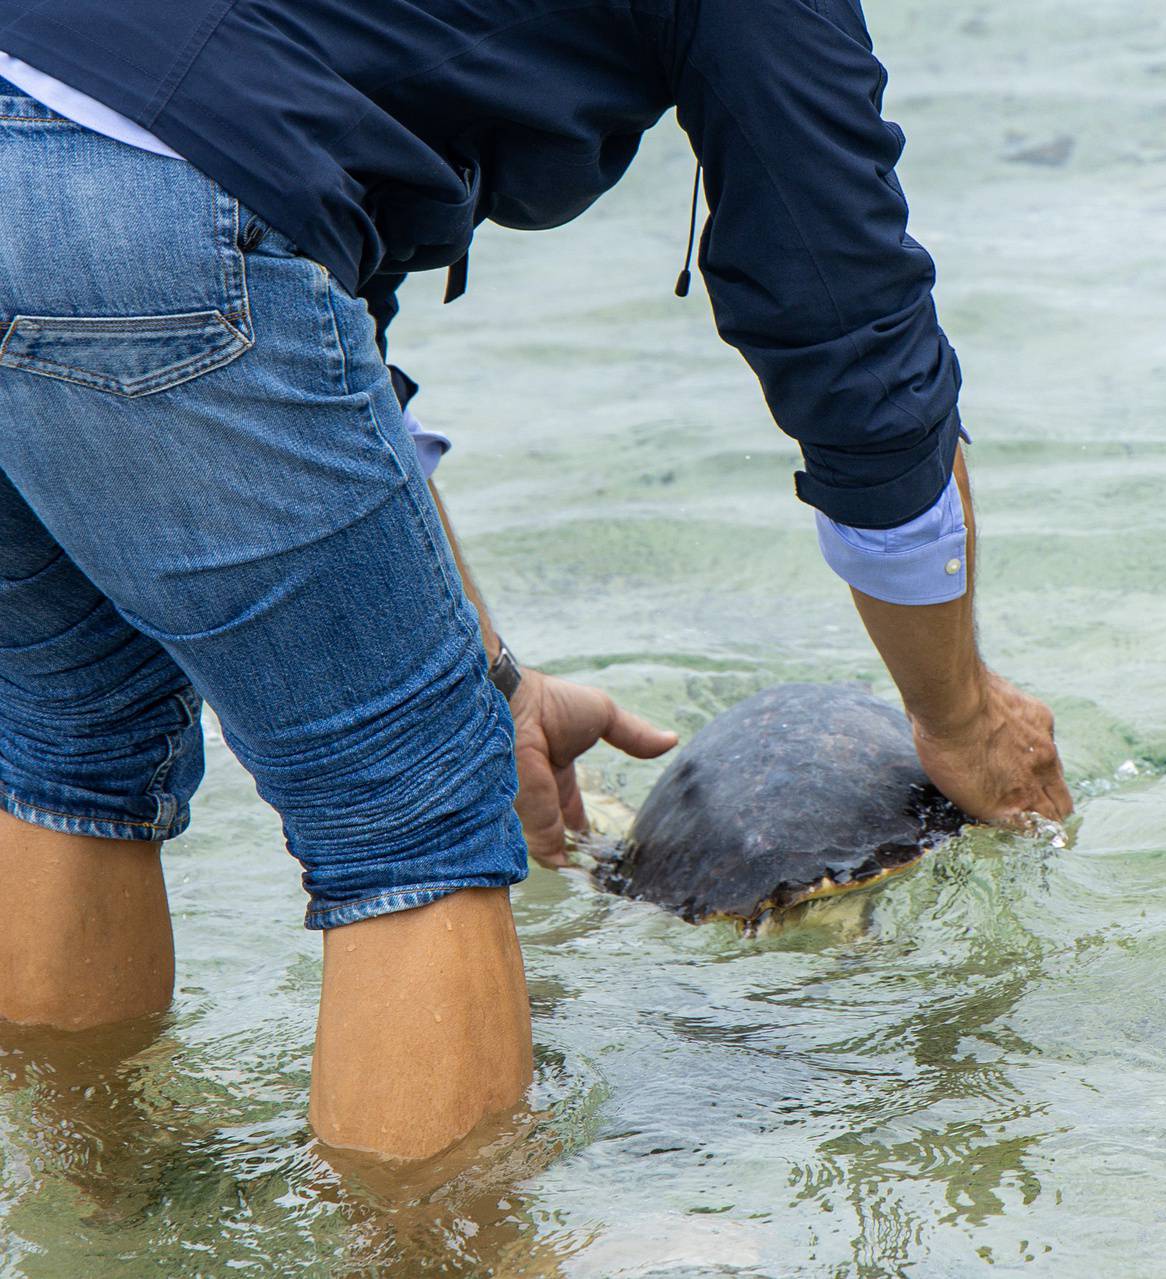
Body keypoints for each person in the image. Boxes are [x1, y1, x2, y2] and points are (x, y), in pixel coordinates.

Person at [0, 0, 1071, 1162]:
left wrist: (493, 679)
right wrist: (958, 711)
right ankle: (449, 1244)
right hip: (162, 181)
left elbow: (324, 336)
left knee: (75, 748)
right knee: (410, 825)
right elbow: (854, 335)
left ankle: (99, 1203)